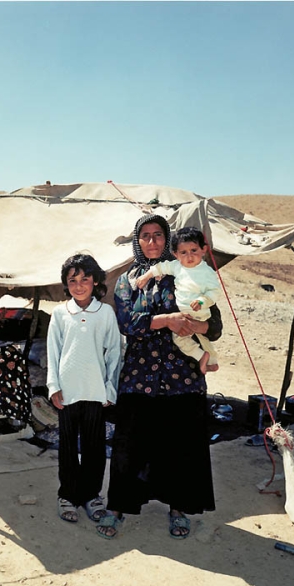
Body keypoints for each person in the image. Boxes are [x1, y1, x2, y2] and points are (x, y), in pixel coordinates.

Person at [97, 213, 222, 540]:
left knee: (179, 444)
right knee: (128, 444)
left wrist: (196, 325)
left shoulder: (187, 270)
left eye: (158, 235)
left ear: (168, 240)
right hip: (139, 374)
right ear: (137, 241)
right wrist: (167, 320)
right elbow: (127, 322)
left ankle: (178, 508)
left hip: (182, 374)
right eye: (145, 236)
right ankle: (117, 508)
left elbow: (215, 325)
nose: (152, 241)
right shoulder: (127, 280)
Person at [46, 253, 122, 524]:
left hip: (95, 392)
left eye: (84, 279)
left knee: (94, 447)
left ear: (95, 281)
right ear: (66, 284)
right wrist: (53, 386)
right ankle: (67, 496)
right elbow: (53, 352)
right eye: (73, 280)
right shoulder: (60, 313)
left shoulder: (105, 313)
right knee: (67, 446)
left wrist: (110, 389)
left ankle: (91, 496)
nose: (79, 286)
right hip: (68, 392)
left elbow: (114, 353)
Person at [135, 226, 222, 374]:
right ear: (175, 254)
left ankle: (202, 357)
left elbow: (214, 292)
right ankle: (210, 361)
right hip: (182, 316)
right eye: (183, 252)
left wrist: (202, 301)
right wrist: (146, 276)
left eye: (193, 250)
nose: (189, 256)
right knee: (200, 339)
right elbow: (160, 267)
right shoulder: (177, 266)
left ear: (203, 249)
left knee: (184, 338)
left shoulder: (207, 272)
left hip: (198, 312)